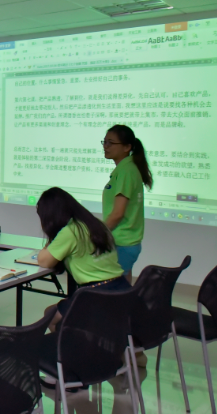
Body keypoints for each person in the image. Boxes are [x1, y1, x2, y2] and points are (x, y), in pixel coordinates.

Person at [36, 187, 128, 333]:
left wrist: (50, 241)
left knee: (50, 315)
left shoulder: (71, 231)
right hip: (122, 291)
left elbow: (44, 261)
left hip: (95, 297)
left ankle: (73, 352)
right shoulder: (96, 224)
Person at [102, 124, 153, 282]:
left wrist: (97, 235)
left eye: (111, 143)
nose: (106, 146)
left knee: (114, 290)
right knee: (123, 285)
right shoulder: (126, 169)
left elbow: (117, 214)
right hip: (124, 242)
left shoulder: (126, 171)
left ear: (127, 147)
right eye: (104, 142)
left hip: (122, 242)